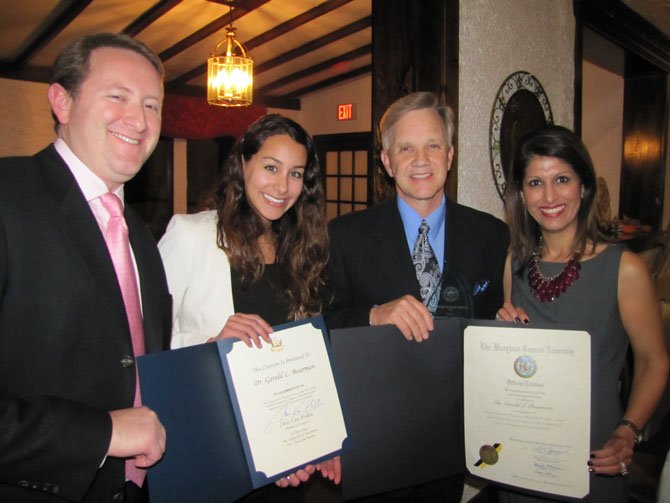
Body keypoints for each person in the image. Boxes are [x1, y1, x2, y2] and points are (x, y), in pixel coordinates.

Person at [0, 33, 172, 503]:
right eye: (117, 96)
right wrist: (100, 435)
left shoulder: (140, 232)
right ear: (61, 100)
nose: (138, 120)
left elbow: (134, 364)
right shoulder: (7, 196)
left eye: (152, 105)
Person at [323, 91, 509, 501]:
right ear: (387, 162)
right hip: (375, 432)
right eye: (405, 148)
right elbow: (322, 326)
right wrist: (373, 314)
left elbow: (489, 325)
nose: (420, 160)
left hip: (452, 433)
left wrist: (506, 328)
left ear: (450, 155)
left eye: (432, 145)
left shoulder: (491, 235)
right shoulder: (345, 235)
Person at [158, 114, 340, 501]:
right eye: (271, 167)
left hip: (284, 447)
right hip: (212, 438)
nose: (282, 185)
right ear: (243, 164)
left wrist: (321, 436)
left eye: (295, 174)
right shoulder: (192, 235)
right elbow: (145, 339)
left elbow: (303, 359)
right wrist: (211, 342)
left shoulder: (301, 250)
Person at [497, 125, 669, 502]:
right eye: (535, 183)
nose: (550, 196)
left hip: (596, 450)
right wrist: (502, 339)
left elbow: (653, 360)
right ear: (521, 195)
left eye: (562, 179)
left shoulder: (624, 268)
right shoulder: (513, 263)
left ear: (584, 187)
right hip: (523, 450)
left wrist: (629, 429)